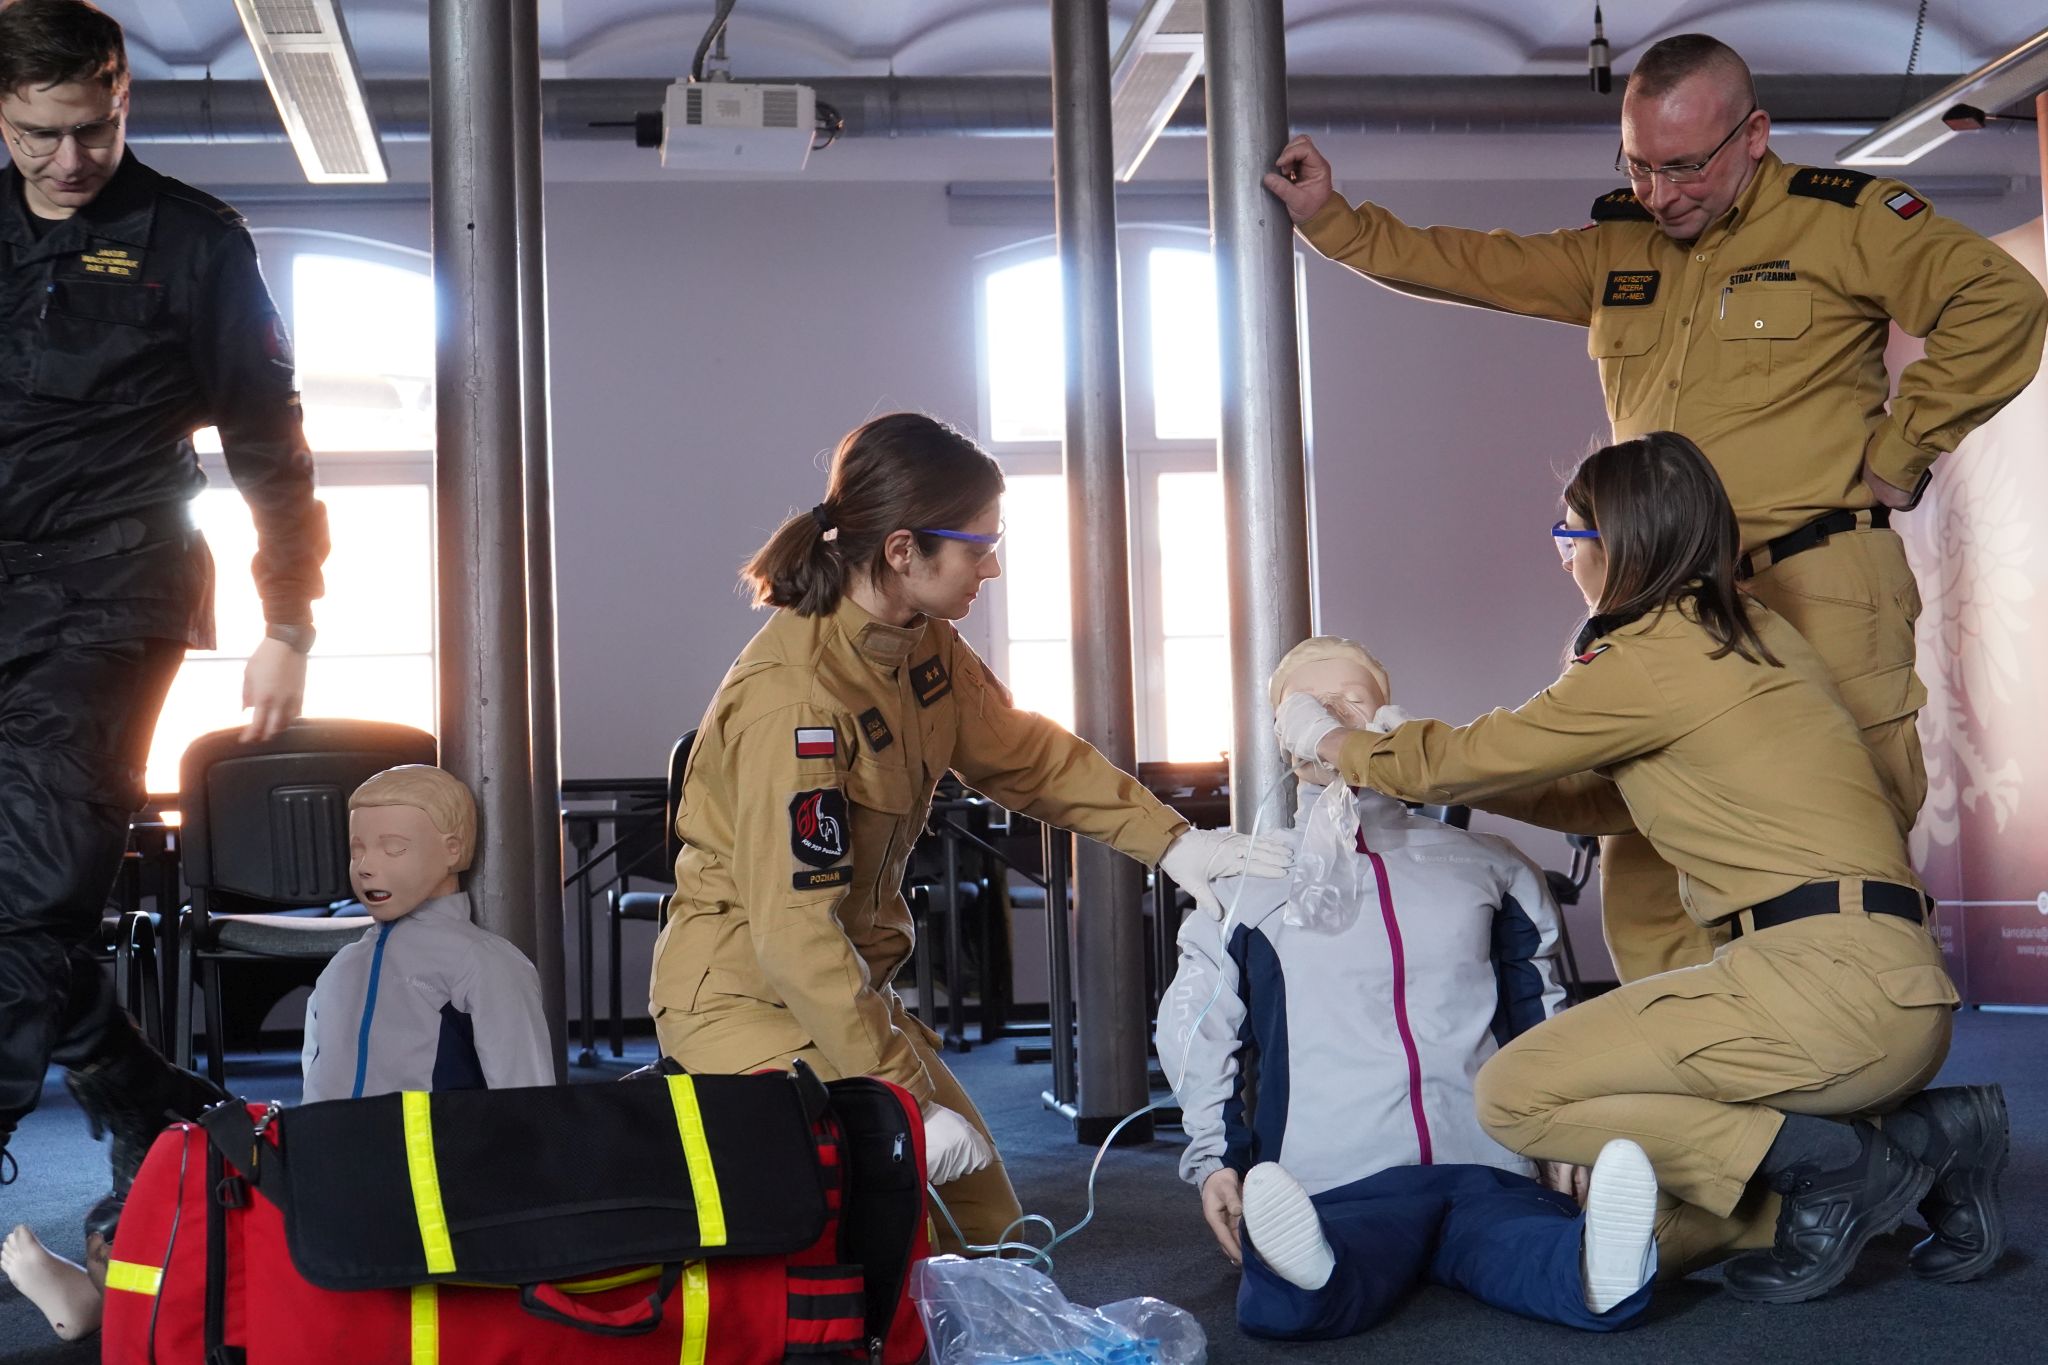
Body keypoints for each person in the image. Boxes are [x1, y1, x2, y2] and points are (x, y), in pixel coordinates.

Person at [1264, 32, 2048, 984]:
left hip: (1813, 583)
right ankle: (1678, 1062)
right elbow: (1473, 264)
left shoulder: (1841, 222)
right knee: (1641, 844)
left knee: (1839, 846)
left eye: (1684, 167)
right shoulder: (1621, 246)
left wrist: (1900, 450)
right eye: (1637, 167)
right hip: (1663, 600)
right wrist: (1333, 221)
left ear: (1753, 135)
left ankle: (1847, 1057)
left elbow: (2000, 302)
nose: (1660, 194)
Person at [1278, 432, 2007, 1302]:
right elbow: (1600, 797)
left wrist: (1333, 738)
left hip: (1822, 997)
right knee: (1661, 1227)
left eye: (1569, 533)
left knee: (1514, 1094)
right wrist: (1432, 762)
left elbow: (1463, 757)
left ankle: (1846, 1162)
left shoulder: (1648, 658)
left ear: (1620, 543)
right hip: (1895, 993)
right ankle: (1925, 1137)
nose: (1563, 556)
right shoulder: (1750, 633)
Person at [648, 411, 1290, 1252]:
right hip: (748, 1004)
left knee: (994, 1234)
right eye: (978, 546)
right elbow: (794, 934)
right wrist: (903, 1097)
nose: (992, 566)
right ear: (902, 550)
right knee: (893, 1239)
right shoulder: (795, 700)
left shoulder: (922, 647)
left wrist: (1170, 841)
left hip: (845, 993)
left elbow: (1027, 755)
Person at [0, 0, 329, 1196]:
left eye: (92, 128)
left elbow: (267, 443)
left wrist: (287, 616)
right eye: (38, 134)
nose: (69, 159)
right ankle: (149, 1100)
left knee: (35, 885)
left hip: (111, 588)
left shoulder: (193, 243)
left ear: (122, 96)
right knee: (18, 897)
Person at [1158, 635, 1659, 1340]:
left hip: (1486, 1163)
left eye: (1352, 699)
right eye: (1313, 703)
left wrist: (1559, 1130)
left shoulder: (1489, 865)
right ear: (1285, 735)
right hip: (1337, 1177)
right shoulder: (1246, 883)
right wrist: (1216, 1160)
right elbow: (1200, 1033)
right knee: (1325, 1273)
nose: (1335, 713)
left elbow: (1539, 1009)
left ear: (1389, 716)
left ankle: (1597, 1269)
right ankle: (1301, 1266)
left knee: (1525, 1244)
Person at [301, 767, 555, 1104]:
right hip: (336, 1141)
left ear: (453, 849)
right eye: (357, 850)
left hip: (439, 1142)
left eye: (393, 848)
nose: (365, 867)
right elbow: (313, 1090)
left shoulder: (482, 963)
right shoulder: (342, 968)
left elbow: (529, 1102)